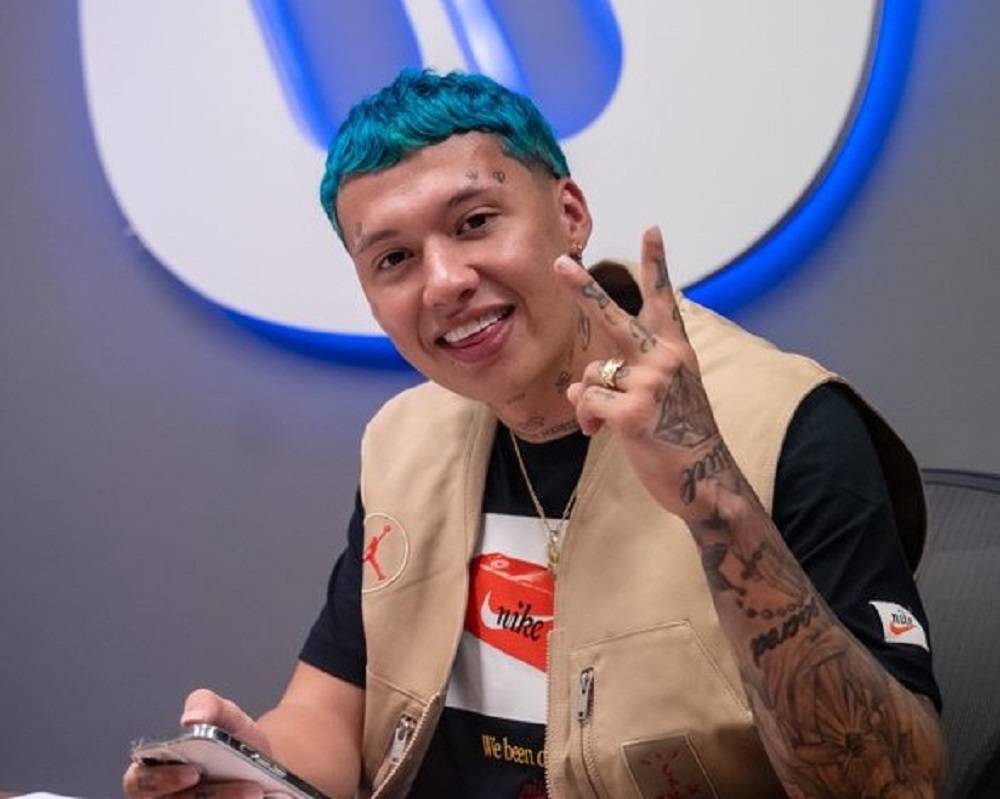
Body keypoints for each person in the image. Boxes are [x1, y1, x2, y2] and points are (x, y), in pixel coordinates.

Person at [124, 69, 946, 798]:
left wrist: (716, 501)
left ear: (569, 214)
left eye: (475, 221)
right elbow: (330, 715)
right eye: (394, 259)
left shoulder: (787, 422)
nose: (444, 282)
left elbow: (892, 784)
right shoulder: (405, 442)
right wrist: (260, 766)